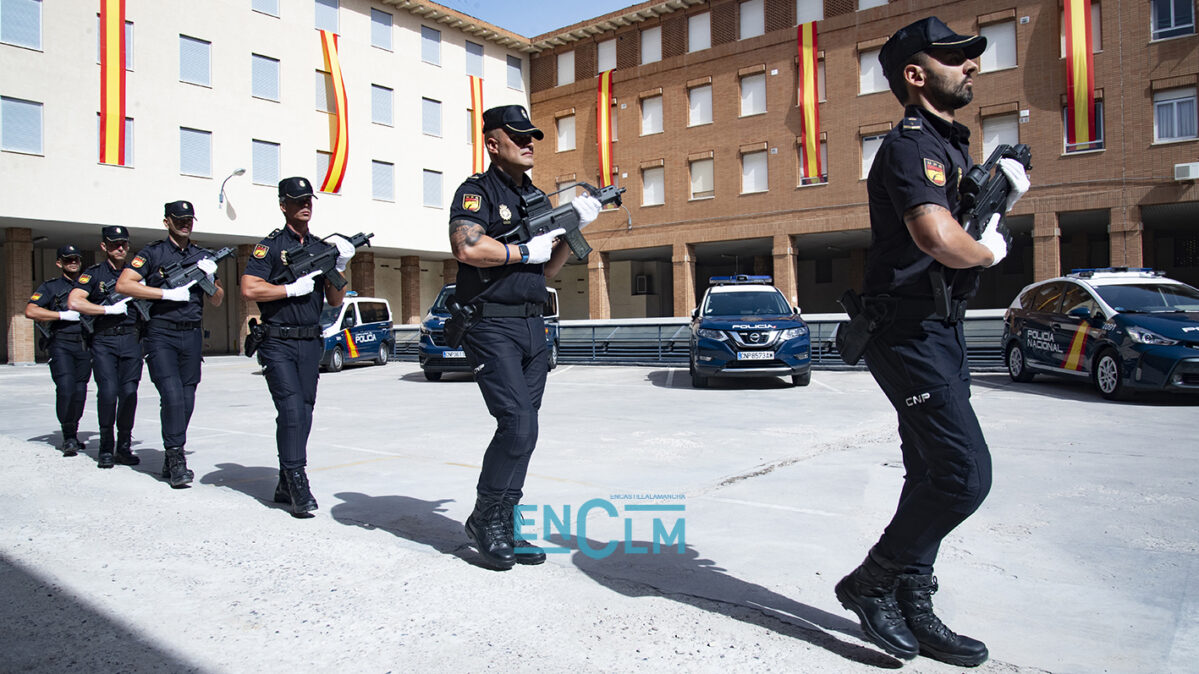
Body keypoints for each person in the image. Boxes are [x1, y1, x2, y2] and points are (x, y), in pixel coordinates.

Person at [833, 17, 1030, 667]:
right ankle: (870, 583)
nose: (971, 64)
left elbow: (957, 226)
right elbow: (935, 239)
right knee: (963, 475)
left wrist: (996, 196)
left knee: (928, 473)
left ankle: (913, 601)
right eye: (955, 57)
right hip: (906, 331)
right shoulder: (909, 145)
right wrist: (987, 249)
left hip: (937, 327)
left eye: (972, 56)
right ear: (915, 75)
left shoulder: (949, 147)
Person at [448, 104, 601, 570]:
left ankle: (505, 517)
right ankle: (485, 518)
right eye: (517, 135)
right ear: (493, 143)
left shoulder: (535, 198)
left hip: (534, 323)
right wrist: (519, 248)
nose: (529, 141)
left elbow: (547, 267)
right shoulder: (475, 192)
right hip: (491, 324)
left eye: (532, 134)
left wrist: (572, 226)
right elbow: (467, 245)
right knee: (517, 423)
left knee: (525, 430)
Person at [241, 176, 354, 517]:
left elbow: (335, 299)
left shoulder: (320, 248)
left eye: (309, 199)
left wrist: (339, 265)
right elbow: (249, 288)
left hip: (310, 340)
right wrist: (289, 290)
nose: (305, 204)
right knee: (291, 409)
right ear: (283, 205)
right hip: (277, 340)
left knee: (303, 410)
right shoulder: (270, 247)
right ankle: (297, 479)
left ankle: (283, 477)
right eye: (298, 200)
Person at [116, 201, 224, 488]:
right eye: (179, 220)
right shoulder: (153, 253)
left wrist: (209, 278)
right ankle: (176, 458)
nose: (185, 224)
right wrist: (164, 295)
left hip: (191, 334)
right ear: (167, 222)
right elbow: (124, 285)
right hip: (161, 333)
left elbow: (217, 299)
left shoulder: (202, 255)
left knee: (187, 399)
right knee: (173, 395)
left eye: (189, 219)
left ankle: (171, 451)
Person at [69, 226, 144, 469]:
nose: (120, 248)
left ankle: (123, 445)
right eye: (114, 244)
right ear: (104, 247)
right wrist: (105, 309)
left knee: (130, 393)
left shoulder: (137, 273)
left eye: (123, 243)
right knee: (109, 392)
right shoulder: (94, 274)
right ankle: (105, 446)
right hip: (104, 340)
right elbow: (75, 301)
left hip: (131, 339)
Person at [25, 245, 92, 456]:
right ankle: (68, 435)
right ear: (59, 263)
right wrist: (61, 316)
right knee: (66, 388)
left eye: (76, 259)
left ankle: (75, 430)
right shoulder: (51, 287)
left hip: (84, 343)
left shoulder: (89, 285)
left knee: (80, 391)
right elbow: (31, 310)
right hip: (61, 343)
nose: (73, 262)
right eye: (68, 259)